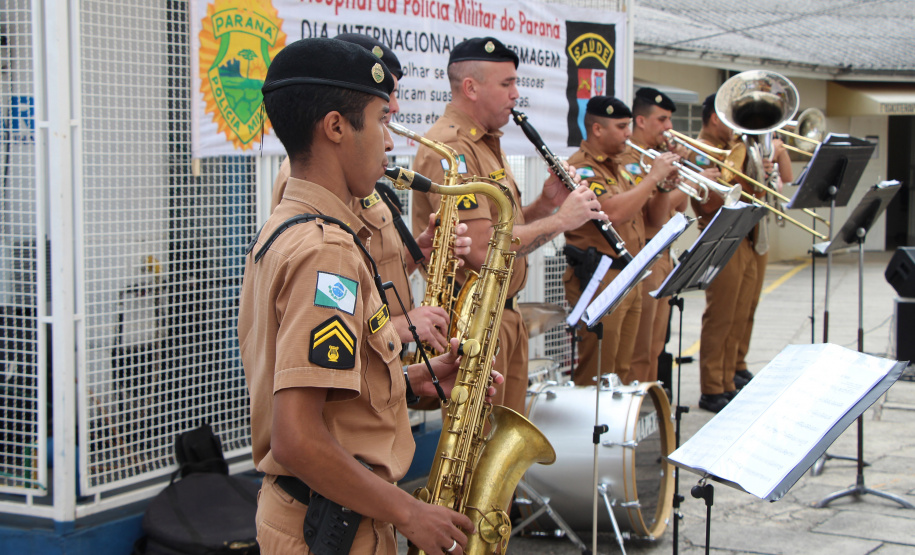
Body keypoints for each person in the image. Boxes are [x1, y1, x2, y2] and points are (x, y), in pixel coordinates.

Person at [239, 38, 501, 554]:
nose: (389, 141)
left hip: (322, 515)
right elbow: (297, 436)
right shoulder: (325, 251)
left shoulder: (291, 225)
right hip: (332, 528)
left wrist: (415, 380)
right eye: (383, 119)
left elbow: (330, 395)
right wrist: (409, 512)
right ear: (336, 127)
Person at [411, 36, 608, 415]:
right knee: (478, 448)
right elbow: (484, 249)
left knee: (503, 441)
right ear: (471, 87)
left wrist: (546, 204)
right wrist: (561, 220)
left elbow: (507, 230)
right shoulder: (453, 148)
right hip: (474, 322)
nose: (516, 94)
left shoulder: (485, 143)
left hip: (503, 316)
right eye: (506, 84)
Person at [270, 33, 470, 357]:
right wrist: (394, 327)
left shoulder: (357, 173)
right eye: (384, 98)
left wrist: (416, 250)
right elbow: (316, 302)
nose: (395, 105)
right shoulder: (311, 175)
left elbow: (362, 270)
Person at [563, 96, 678, 386]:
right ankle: (587, 430)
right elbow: (611, 213)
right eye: (622, 126)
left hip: (629, 273)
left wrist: (663, 186)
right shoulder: (581, 168)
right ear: (598, 129)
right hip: (601, 276)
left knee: (624, 371)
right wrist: (653, 179)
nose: (629, 133)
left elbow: (654, 220)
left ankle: (617, 430)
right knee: (598, 368)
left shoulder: (623, 167)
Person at [689, 93, 757, 413]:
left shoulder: (733, 150)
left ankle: (728, 378)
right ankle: (712, 387)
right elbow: (708, 202)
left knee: (738, 313)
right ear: (715, 118)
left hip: (741, 234)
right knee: (721, 316)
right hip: (718, 235)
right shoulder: (702, 151)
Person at [622, 87, 690, 385]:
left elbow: (683, 203)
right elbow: (654, 216)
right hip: (645, 253)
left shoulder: (659, 156)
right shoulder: (630, 159)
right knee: (640, 349)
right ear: (641, 121)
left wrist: (680, 173)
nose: (669, 127)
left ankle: (651, 405)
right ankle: (638, 410)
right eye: (662, 119)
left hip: (664, 254)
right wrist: (670, 186)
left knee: (655, 346)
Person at [733, 136, 794, 388]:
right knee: (733, 310)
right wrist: (758, 171)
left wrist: (777, 153)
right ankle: (724, 373)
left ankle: (738, 362)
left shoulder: (763, 148)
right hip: (741, 230)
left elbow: (787, 178)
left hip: (759, 231)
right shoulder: (739, 147)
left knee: (750, 305)